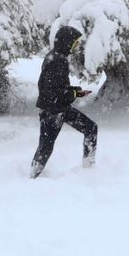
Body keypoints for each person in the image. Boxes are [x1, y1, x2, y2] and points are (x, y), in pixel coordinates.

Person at [30, 25, 98, 179]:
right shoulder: (58, 61)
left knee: (90, 128)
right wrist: (72, 93)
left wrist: (75, 92)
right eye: (75, 42)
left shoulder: (55, 57)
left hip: (57, 107)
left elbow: (55, 87)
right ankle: (32, 177)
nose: (77, 45)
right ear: (67, 42)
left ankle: (89, 168)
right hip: (53, 110)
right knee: (46, 146)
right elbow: (51, 91)